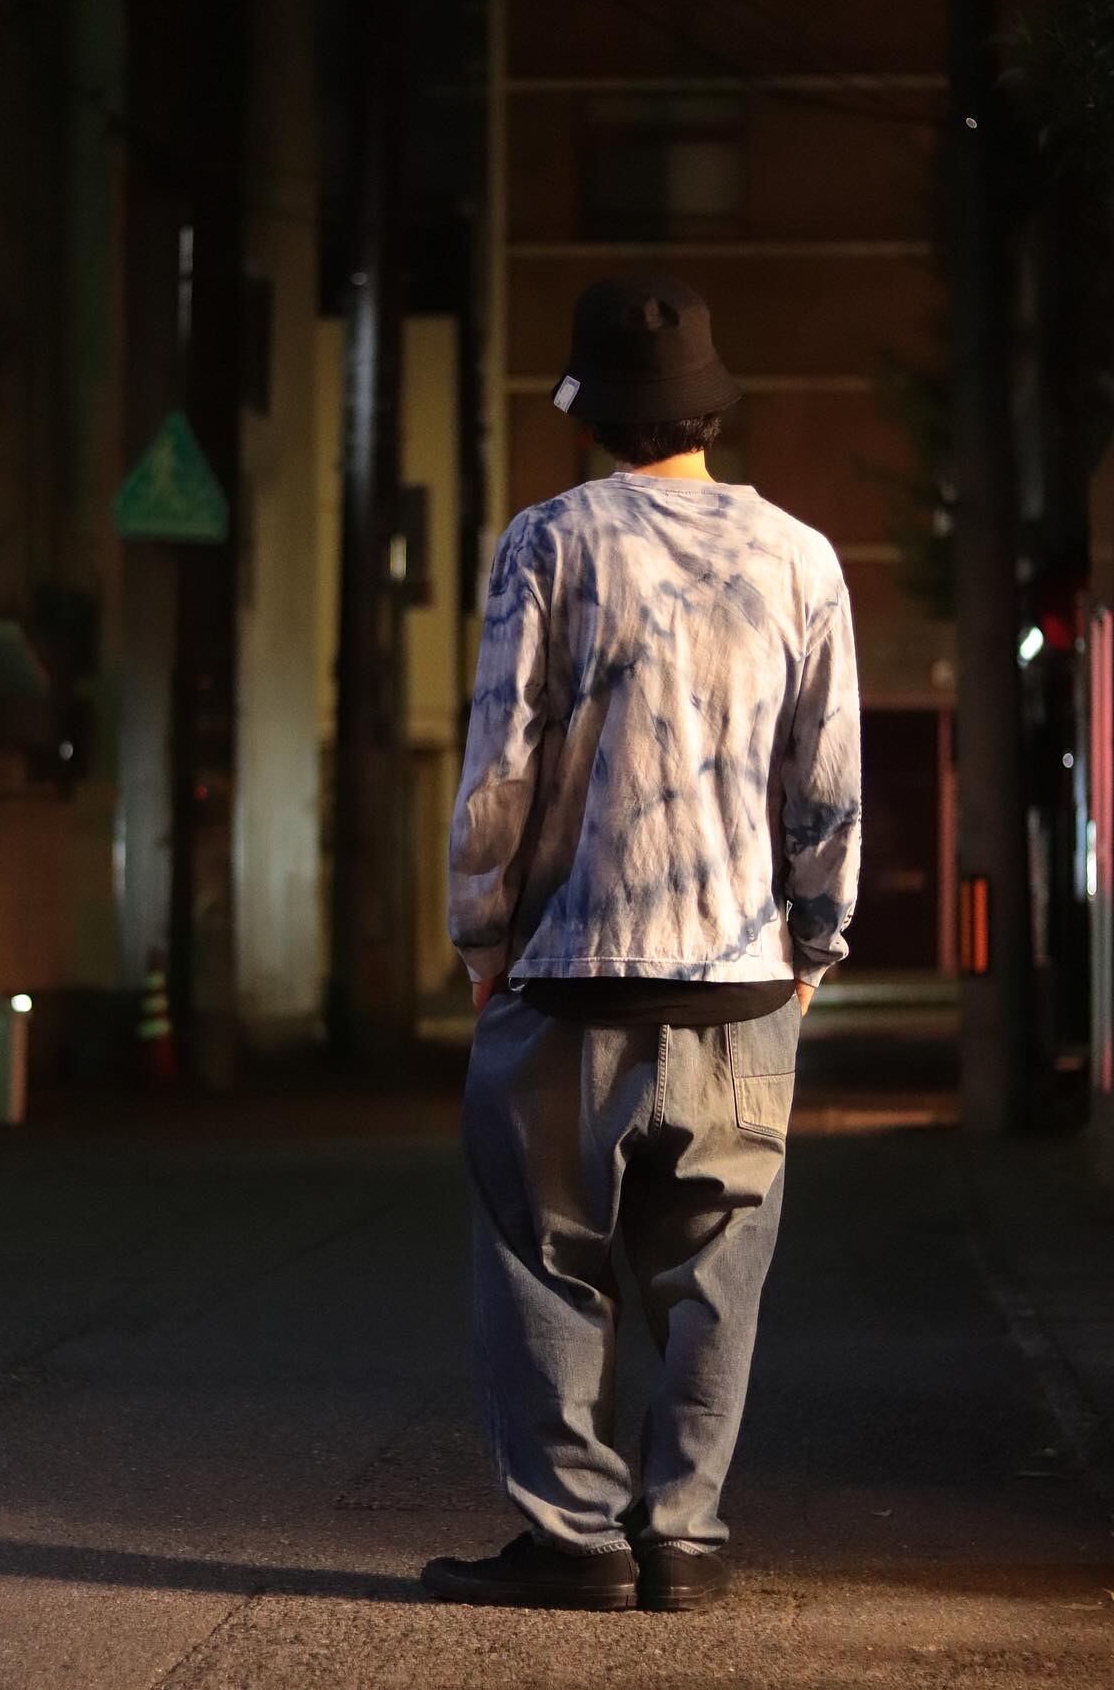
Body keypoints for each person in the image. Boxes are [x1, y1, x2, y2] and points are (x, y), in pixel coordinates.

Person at [421, 274, 861, 1614]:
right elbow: (829, 781)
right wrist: (814, 944)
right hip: (740, 981)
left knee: (543, 1256)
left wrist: (482, 940)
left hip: (569, 975)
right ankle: (685, 1536)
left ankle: (576, 1540)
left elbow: (499, 770)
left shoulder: (547, 544)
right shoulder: (802, 558)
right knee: (718, 1270)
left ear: (593, 415)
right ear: (709, 411)